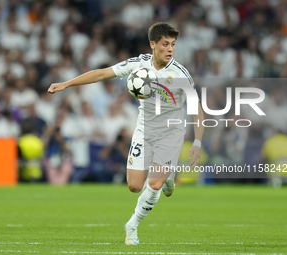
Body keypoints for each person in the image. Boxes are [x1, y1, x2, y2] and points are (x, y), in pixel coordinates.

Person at [48, 22, 204, 245]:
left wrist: (197, 141)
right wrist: (67, 84)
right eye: (165, 44)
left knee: (154, 184)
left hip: (172, 131)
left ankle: (132, 225)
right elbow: (103, 73)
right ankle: (168, 174)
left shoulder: (180, 74)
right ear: (153, 44)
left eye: (173, 44)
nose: (170, 49)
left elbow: (197, 109)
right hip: (144, 130)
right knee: (134, 186)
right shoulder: (139, 65)